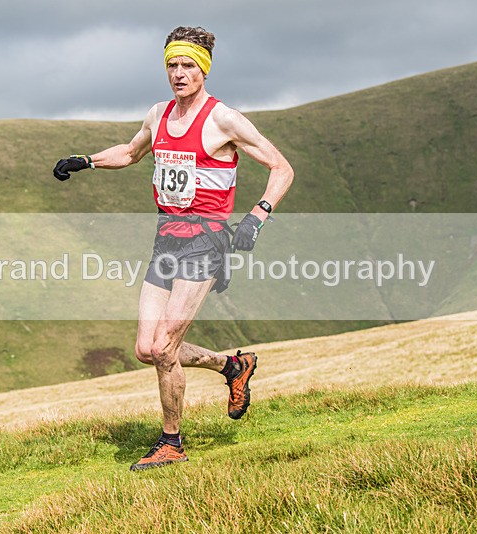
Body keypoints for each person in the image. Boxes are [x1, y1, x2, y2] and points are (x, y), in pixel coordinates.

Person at [53, 26, 294, 471]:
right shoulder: (158, 114)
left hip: (206, 241)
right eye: (172, 65)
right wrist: (85, 161)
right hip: (167, 237)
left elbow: (281, 167)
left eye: (188, 65)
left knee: (165, 345)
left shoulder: (224, 119)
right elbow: (130, 152)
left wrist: (257, 216)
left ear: (203, 69)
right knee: (148, 347)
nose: (179, 74)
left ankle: (171, 442)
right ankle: (232, 367)